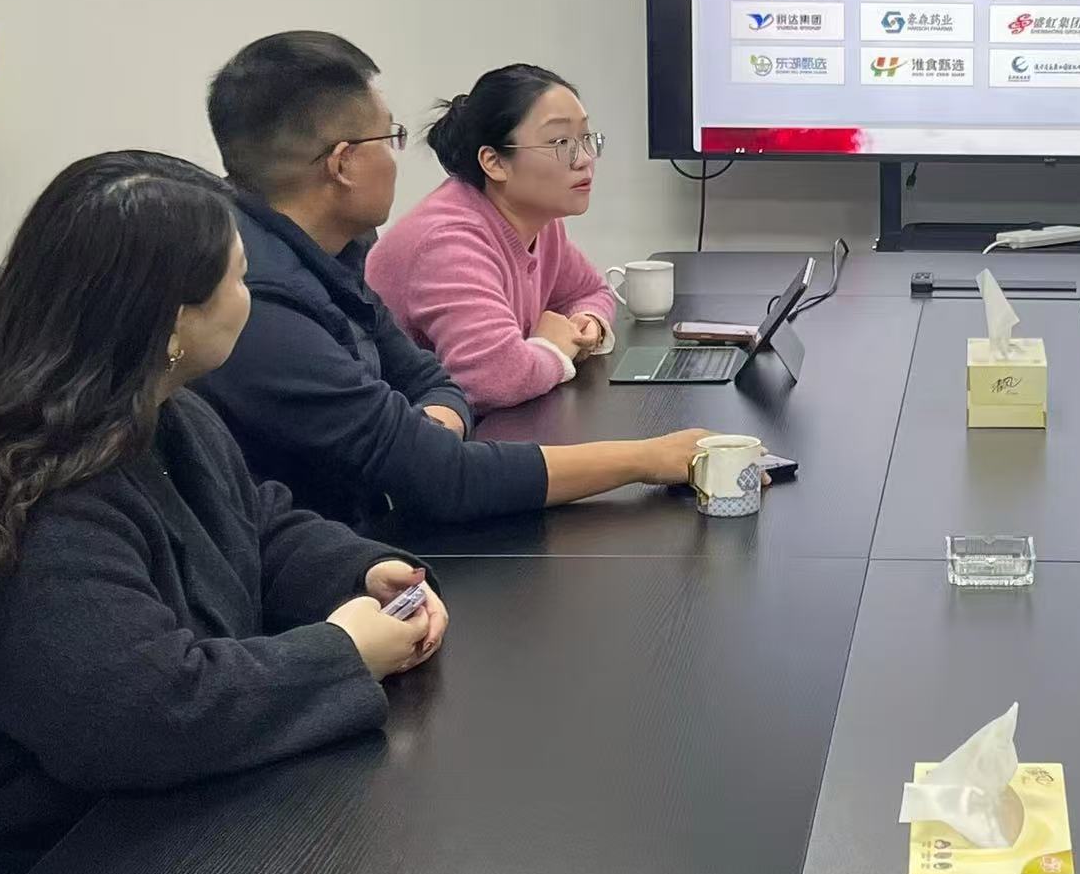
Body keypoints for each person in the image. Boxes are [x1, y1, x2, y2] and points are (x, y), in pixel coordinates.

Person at [0, 152, 446, 874]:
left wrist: (361, 569)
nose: (251, 296)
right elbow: (142, 716)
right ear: (170, 323)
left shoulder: (164, 413)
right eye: (239, 279)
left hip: (143, 808)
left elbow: (254, 522)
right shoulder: (34, 496)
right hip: (27, 848)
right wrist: (343, 653)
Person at [197, 31, 715, 529]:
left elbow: (431, 382)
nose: (583, 159)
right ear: (344, 163)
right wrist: (648, 458)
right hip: (332, 548)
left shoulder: (337, 250)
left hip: (372, 522)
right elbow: (444, 474)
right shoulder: (262, 302)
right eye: (391, 138)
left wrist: (430, 430)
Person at [367, 64, 618, 413]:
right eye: (560, 142)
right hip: (415, 436)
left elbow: (589, 291)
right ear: (494, 162)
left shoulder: (540, 222)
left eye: (586, 138)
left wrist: (585, 323)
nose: (585, 159)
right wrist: (554, 348)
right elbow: (494, 379)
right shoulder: (448, 243)